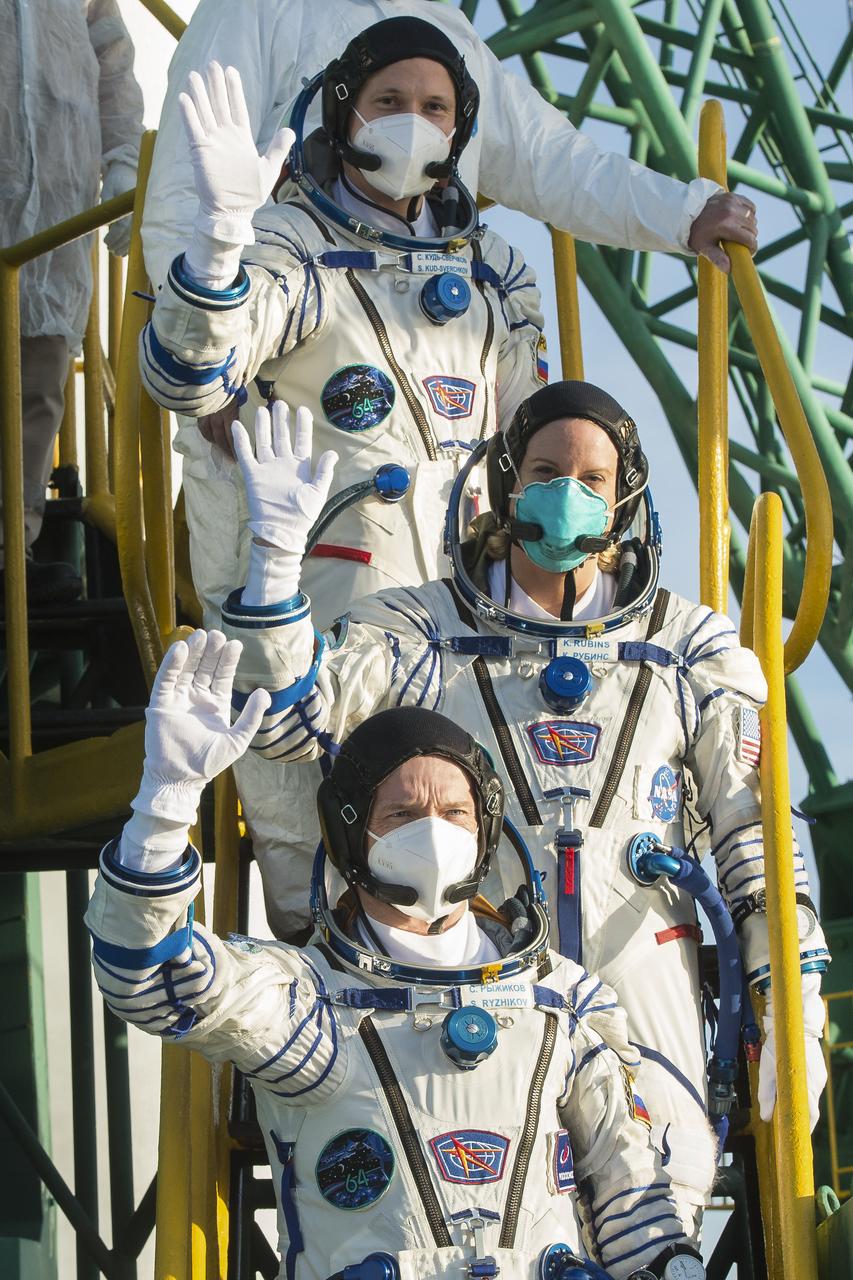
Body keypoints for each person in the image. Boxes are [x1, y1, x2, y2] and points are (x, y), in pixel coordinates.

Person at [219, 381, 830, 1234]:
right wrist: (274, 575)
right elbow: (289, 723)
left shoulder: (688, 646)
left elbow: (750, 825)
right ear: (506, 482)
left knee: (661, 1191)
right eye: (545, 472)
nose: (565, 494)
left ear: (623, 496)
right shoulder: (415, 629)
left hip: (642, 965)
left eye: (591, 478)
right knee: (483, 1218)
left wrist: (790, 996)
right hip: (469, 971)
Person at [86, 644, 707, 1280]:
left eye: (456, 812)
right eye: (402, 814)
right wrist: (163, 809)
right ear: (350, 833)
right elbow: (150, 977)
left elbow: (634, 1197)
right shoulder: (311, 1009)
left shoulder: (561, 1001)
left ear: (486, 830)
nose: (434, 833)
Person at [140, 18, 547, 934]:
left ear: (459, 126)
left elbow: (534, 436)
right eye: (389, 101)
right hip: (324, 594)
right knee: (316, 836)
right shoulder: (289, 243)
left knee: (478, 841)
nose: (413, 123)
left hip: (468, 598)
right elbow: (187, 374)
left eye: (434, 108)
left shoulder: (494, 269)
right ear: (343, 112)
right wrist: (216, 249)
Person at [141, 0, 758, 293]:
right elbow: (184, 188)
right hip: (279, 344)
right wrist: (210, 356)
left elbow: (555, 162)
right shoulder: (256, 8)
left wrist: (685, 213)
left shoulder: (452, 36)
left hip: (432, 350)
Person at [0, 0, 144, 604]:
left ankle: (12, 555)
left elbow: (112, 59)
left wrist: (125, 161)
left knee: (36, 392)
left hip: (58, 210)